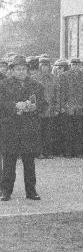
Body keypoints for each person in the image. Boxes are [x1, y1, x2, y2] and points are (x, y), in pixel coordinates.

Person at [0, 55, 46, 201]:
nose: (21, 72)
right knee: (9, 160)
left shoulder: (37, 85)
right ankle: (5, 191)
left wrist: (34, 107)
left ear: (28, 70)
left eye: (23, 69)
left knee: (29, 161)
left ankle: (31, 191)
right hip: (10, 127)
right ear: (11, 70)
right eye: (18, 69)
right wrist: (15, 106)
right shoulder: (3, 85)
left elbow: (44, 105)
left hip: (29, 128)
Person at [30, 56, 57, 159]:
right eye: (42, 65)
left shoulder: (53, 78)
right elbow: (32, 95)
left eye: (46, 65)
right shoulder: (34, 78)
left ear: (49, 66)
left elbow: (56, 93)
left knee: (48, 132)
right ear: (39, 66)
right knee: (38, 132)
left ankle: (48, 152)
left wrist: (56, 107)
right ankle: (38, 152)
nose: (45, 67)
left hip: (50, 109)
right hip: (39, 109)